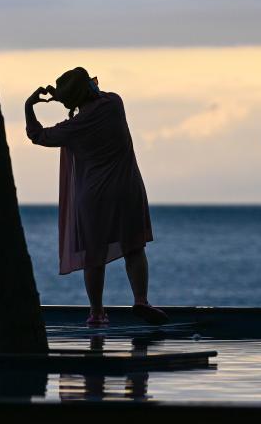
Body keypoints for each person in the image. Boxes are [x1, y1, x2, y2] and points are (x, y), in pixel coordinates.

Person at [25, 66, 170, 327]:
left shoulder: (73, 127)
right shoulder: (114, 104)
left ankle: (97, 312)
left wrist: (29, 105)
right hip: (126, 189)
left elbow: (38, 135)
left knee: (93, 257)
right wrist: (70, 94)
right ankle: (141, 299)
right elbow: (97, 94)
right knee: (134, 248)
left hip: (93, 197)